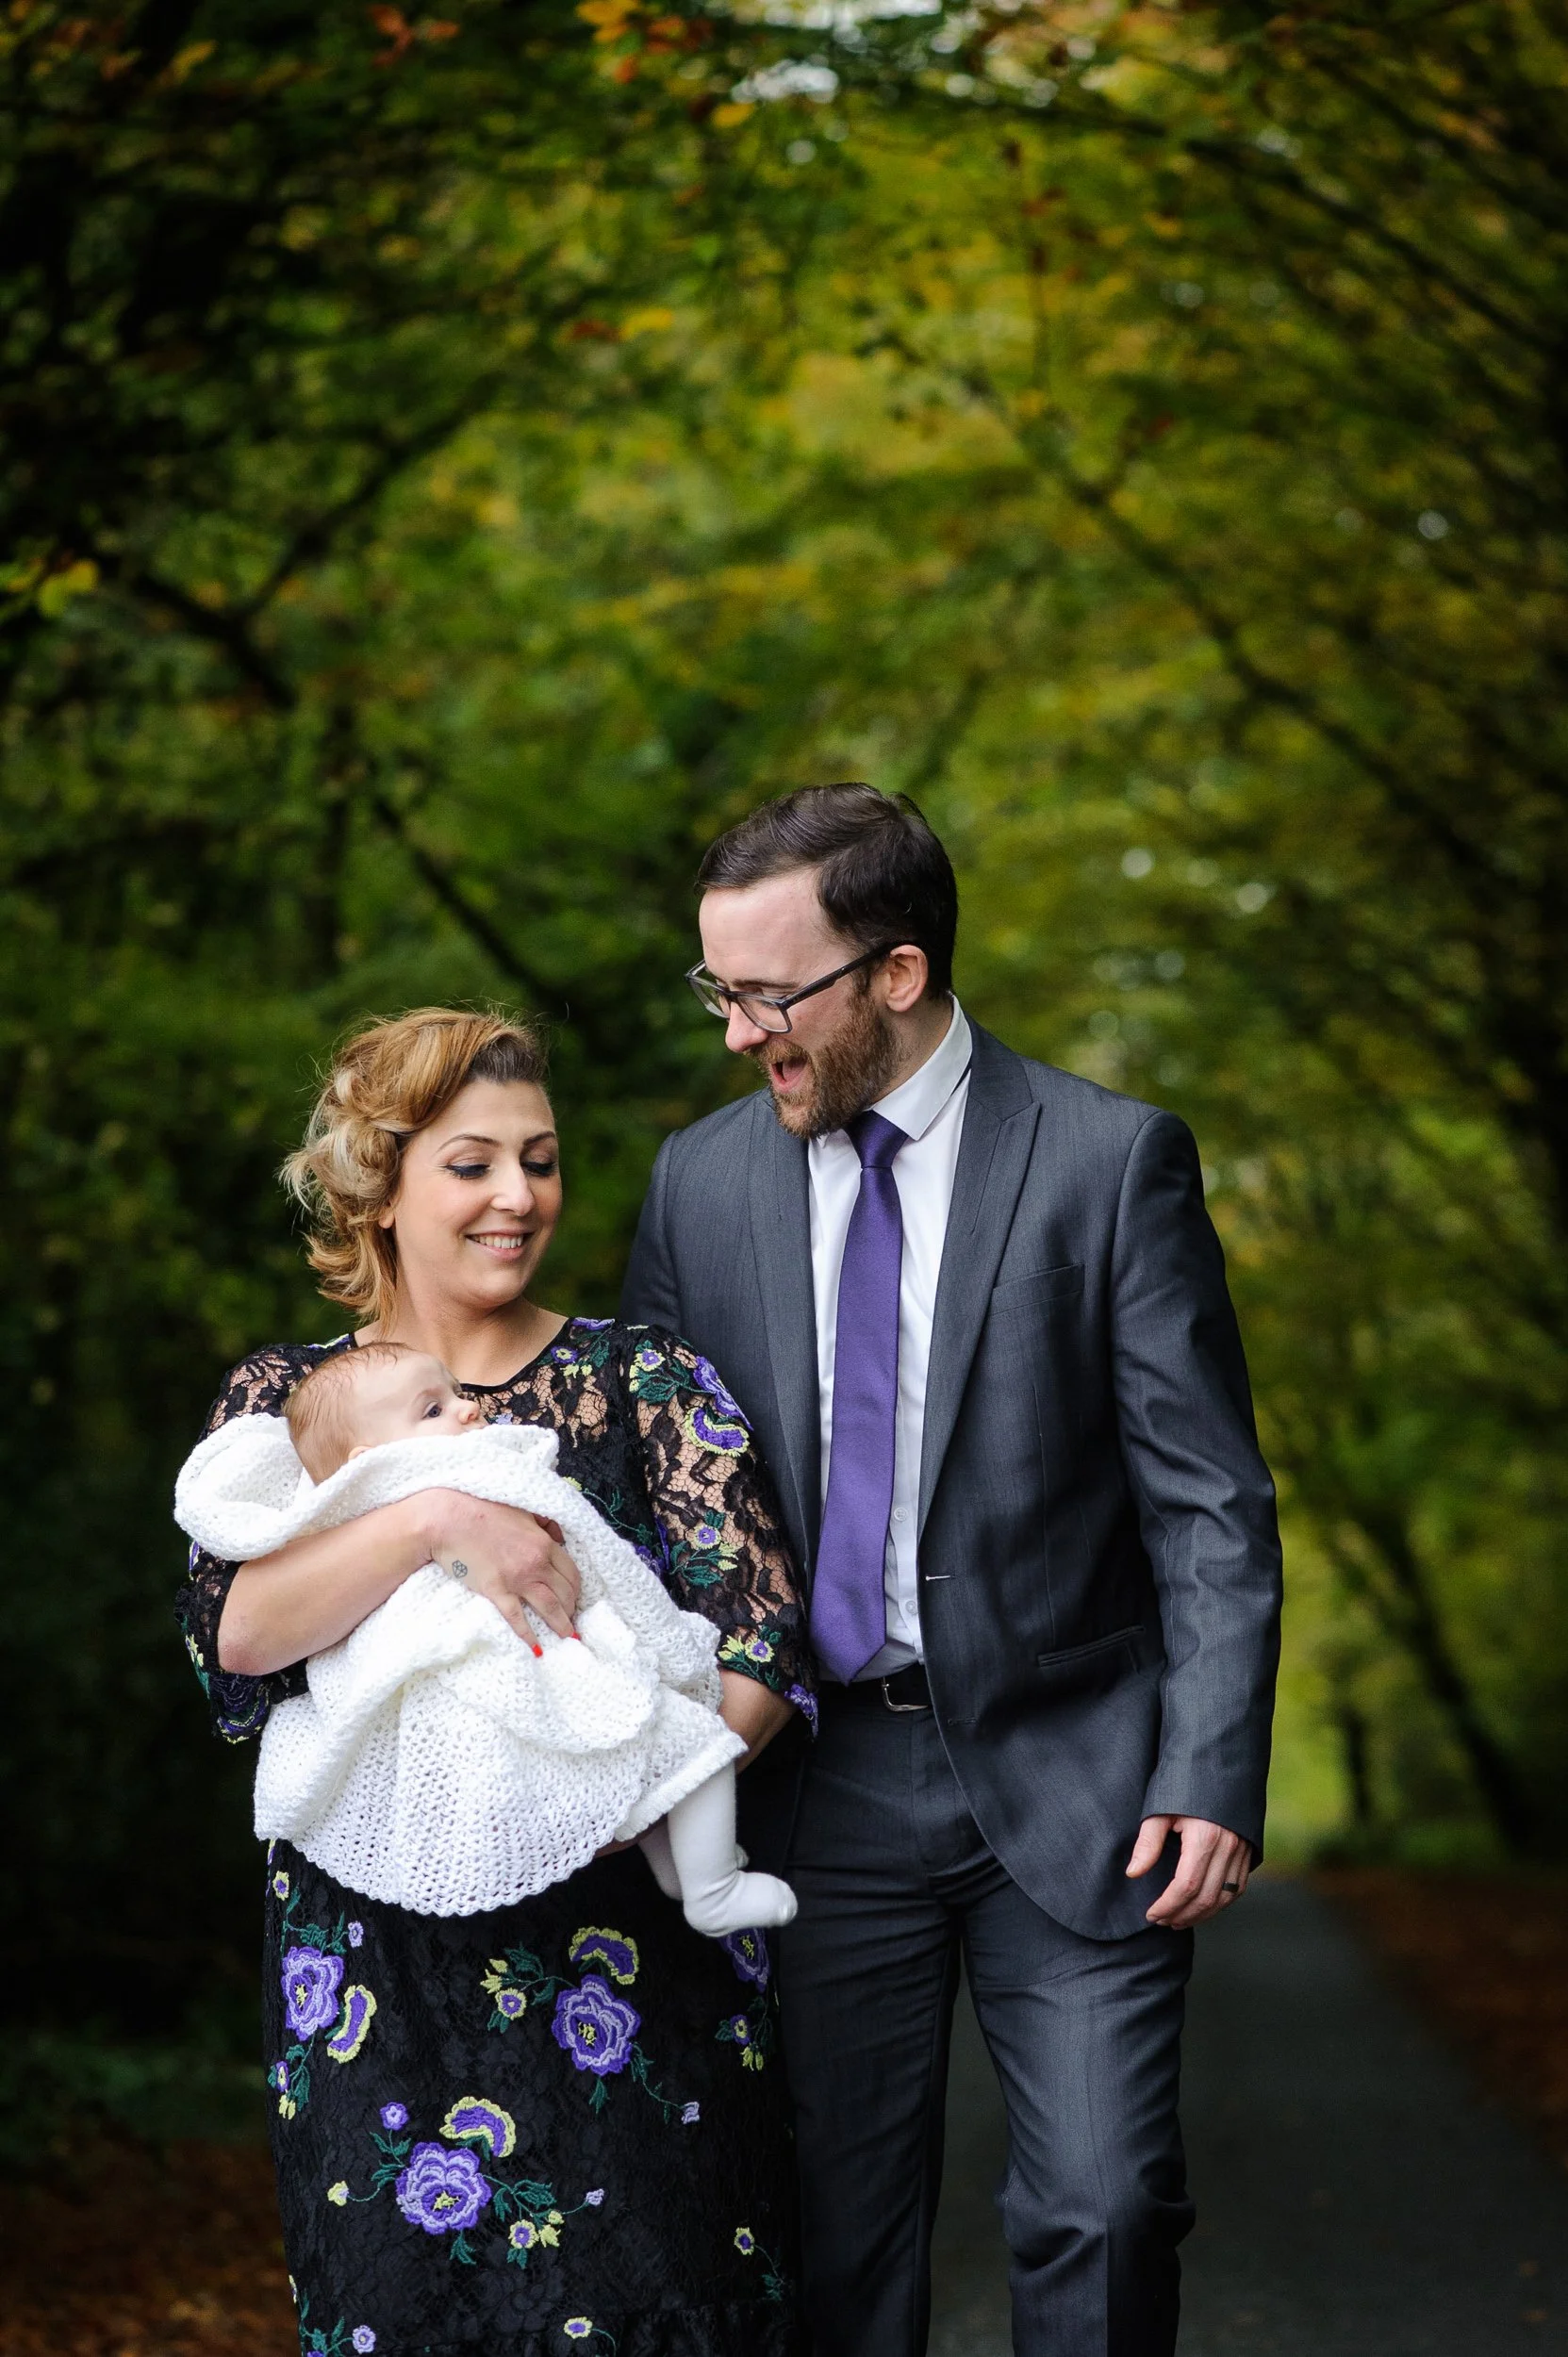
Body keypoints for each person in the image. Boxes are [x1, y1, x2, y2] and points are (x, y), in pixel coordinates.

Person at [622, 783, 1283, 2357]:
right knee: (835, 2244)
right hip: (812, 1789)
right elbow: (654, 1509)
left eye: (766, 995)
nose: (735, 1035)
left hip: (1084, 1779)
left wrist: (1210, 1765)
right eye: (715, 993)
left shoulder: (1109, 1162)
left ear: (897, 975)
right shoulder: (693, 1187)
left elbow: (1207, 1504)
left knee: (1105, 2208)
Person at [174, 1007, 810, 2357]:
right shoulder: (287, 1405)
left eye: (540, 1158)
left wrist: (637, 1794)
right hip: (375, 1988)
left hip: (630, 1967)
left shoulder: (641, 1382)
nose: (517, 1197)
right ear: (380, 1184)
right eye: (470, 1163)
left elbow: (757, 1643)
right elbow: (237, 1638)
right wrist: (433, 1521)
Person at [174, 1337, 798, 1933]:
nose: (469, 1407)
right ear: (369, 1460)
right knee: (690, 1743)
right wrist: (434, 1521)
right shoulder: (367, 1445)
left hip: (609, 1894)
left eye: (452, 1393)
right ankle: (711, 1886)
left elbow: (763, 1627)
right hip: (464, 1686)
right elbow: (238, 1637)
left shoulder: (638, 1366)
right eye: (435, 1409)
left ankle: (687, 1870)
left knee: (684, 1745)